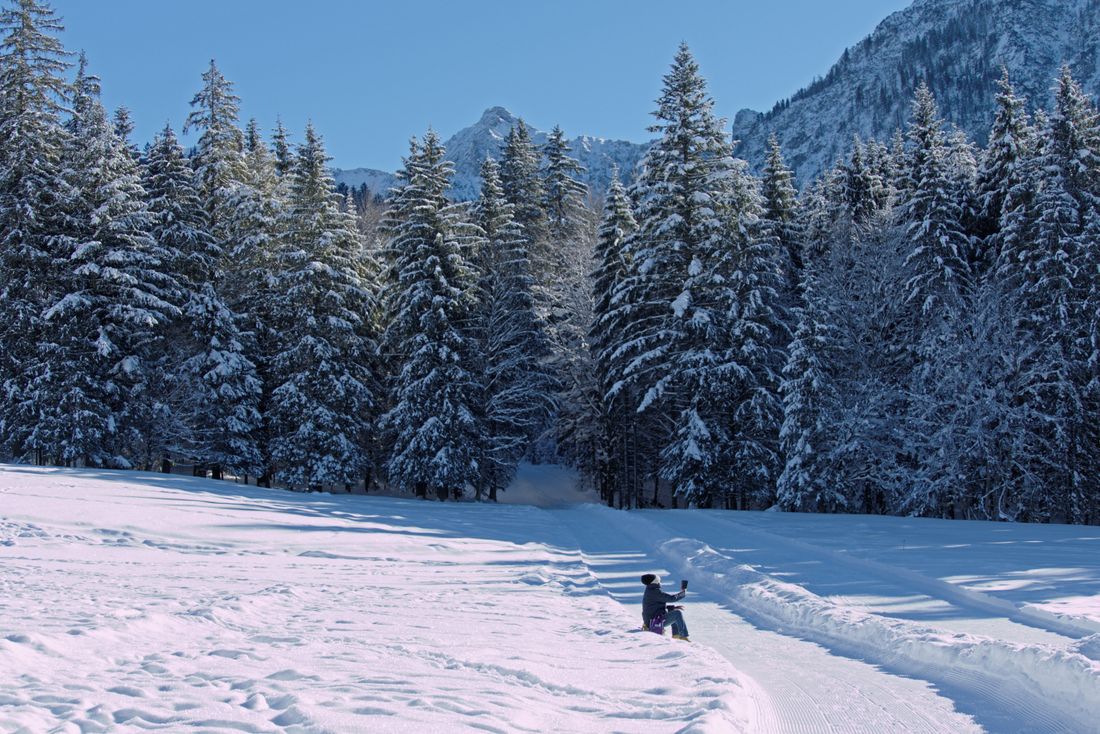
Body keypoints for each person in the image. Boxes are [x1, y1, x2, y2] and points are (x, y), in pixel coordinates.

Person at [640, 573, 690, 640]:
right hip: (654, 622)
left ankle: (676, 635)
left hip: (651, 620)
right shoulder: (654, 592)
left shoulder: (650, 590)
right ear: (656, 581)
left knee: (673, 611)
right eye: (659, 581)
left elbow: (654, 606)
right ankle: (683, 636)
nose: (660, 582)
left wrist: (672, 608)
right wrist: (683, 592)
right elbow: (672, 598)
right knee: (677, 613)